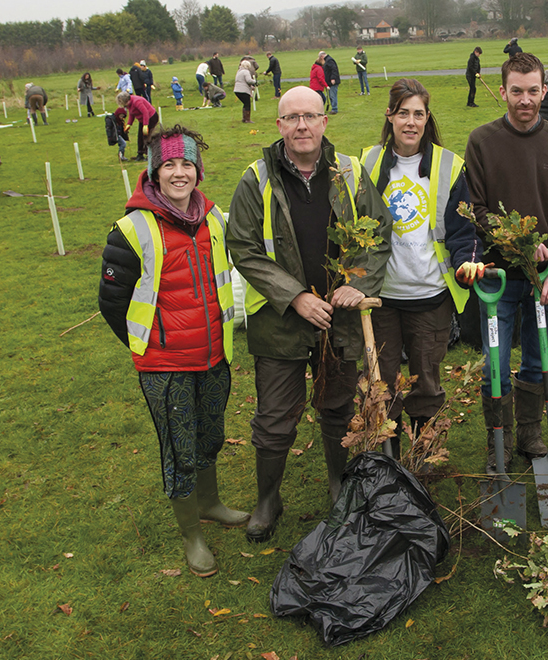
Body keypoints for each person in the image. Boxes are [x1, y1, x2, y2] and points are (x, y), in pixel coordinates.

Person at [225, 87, 392, 543]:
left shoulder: (349, 172)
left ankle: (339, 484)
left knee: (337, 408)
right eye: (292, 118)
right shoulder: (255, 179)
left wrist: (357, 284)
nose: (302, 126)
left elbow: (378, 233)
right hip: (280, 322)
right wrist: (295, 295)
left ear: (324, 122)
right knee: (276, 418)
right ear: (279, 126)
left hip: (338, 322)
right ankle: (268, 499)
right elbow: (242, 246)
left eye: (310, 116)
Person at [98, 124, 248, 577]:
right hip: (166, 365)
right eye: (169, 165)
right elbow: (112, 304)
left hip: (214, 356)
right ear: (154, 172)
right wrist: (152, 345)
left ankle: (211, 503)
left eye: (186, 164)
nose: (178, 173)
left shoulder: (215, 219)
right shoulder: (131, 228)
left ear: (197, 170)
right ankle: (192, 536)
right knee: (179, 448)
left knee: (210, 436)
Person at [457, 53, 548, 468]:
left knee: (536, 357)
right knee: (496, 363)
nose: (525, 100)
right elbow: (474, 206)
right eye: (516, 91)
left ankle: (530, 433)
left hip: (542, 278)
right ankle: (502, 438)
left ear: (544, 90)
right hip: (497, 279)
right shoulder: (482, 141)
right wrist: (514, 245)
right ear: (504, 91)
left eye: (533, 91)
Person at [360, 79, 471, 454]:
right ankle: (387, 460)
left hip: (429, 295)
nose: (411, 122)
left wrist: (466, 261)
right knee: (382, 381)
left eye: (418, 114)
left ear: (427, 118)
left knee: (425, 381)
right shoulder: (368, 162)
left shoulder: (450, 165)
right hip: (382, 298)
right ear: (389, 116)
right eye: (403, 113)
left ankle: (422, 457)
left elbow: (461, 228)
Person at [118, 91, 159, 161]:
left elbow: (145, 112)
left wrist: (145, 125)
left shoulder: (137, 101)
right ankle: (140, 154)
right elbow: (131, 113)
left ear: (126, 100)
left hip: (151, 117)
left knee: (146, 136)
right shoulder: (129, 105)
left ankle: (149, 154)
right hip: (143, 119)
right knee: (140, 136)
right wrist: (129, 124)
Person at [234, 59, 258, 124]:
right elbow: (248, 80)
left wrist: (250, 87)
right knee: (247, 104)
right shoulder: (246, 71)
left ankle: (244, 118)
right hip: (243, 90)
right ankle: (247, 119)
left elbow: (242, 81)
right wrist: (255, 82)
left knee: (245, 104)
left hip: (237, 90)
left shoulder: (239, 71)